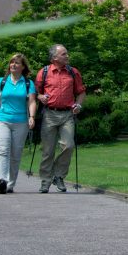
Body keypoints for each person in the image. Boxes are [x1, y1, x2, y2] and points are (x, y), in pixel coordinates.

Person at [0, 52, 37, 194]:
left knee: (16, 154)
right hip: (2, 120)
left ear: (23, 67)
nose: (13, 65)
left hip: (21, 123)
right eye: (12, 62)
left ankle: (10, 184)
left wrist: (32, 116)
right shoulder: (1, 81)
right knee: (2, 149)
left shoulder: (28, 83)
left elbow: (31, 101)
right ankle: (1, 180)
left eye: (17, 63)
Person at [34, 43, 85, 193]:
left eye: (67, 53)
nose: (67, 56)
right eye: (64, 54)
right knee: (48, 150)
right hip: (49, 114)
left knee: (68, 146)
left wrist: (78, 105)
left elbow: (81, 92)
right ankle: (45, 181)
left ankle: (59, 176)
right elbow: (34, 92)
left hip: (67, 115)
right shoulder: (43, 72)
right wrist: (40, 96)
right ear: (54, 57)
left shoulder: (73, 72)